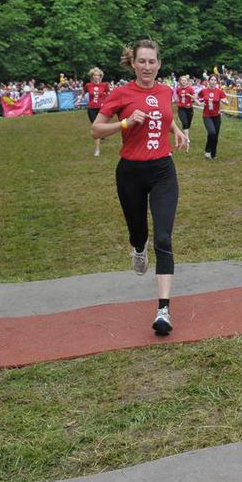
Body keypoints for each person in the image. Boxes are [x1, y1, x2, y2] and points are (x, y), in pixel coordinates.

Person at [91, 39, 190, 335]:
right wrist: (125, 123)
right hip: (130, 173)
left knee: (164, 238)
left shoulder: (166, 90)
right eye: (142, 61)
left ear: (159, 64)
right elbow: (96, 129)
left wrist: (176, 130)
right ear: (133, 63)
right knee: (139, 233)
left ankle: (163, 310)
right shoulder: (121, 94)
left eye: (152, 61)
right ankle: (138, 248)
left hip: (163, 171)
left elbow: (163, 115)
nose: (147, 67)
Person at [198, 75, 228, 159]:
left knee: (215, 135)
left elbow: (226, 101)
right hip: (207, 116)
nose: (213, 81)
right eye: (212, 80)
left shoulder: (219, 91)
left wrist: (224, 101)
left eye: (215, 80)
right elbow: (197, 98)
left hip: (216, 116)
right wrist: (200, 102)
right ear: (208, 81)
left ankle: (213, 154)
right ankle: (208, 150)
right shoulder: (204, 91)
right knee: (212, 132)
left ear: (217, 82)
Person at [84, 67, 110, 156]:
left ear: (100, 77)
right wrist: (79, 100)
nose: (96, 77)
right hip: (91, 108)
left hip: (101, 109)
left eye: (98, 75)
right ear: (92, 76)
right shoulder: (88, 85)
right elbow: (83, 93)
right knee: (95, 127)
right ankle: (97, 148)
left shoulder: (104, 85)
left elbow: (108, 95)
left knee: (99, 126)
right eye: (95, 75)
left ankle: (99, 143)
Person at [175, 74, 195, 139]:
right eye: (182, 80)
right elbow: (177, 97)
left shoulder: (190, 89)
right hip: (181, 108)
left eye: (185, 80)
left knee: (188, 123)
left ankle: (185, 133)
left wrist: (190, 96)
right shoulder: (178, 89)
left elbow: (195, 98)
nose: (183, 81)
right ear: (180, 81)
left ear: (187, 81)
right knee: (185, 122)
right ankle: (186, 138)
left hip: (189, 108)